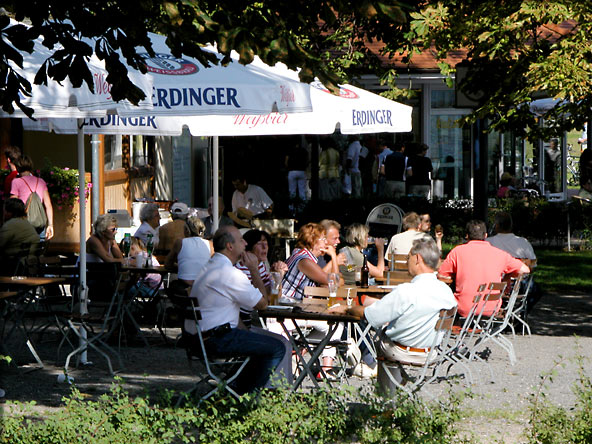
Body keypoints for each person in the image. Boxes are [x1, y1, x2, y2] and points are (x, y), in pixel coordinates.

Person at [184, 225, 286, 394]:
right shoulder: (228, 273)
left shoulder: (208, 267)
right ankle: (245, 396)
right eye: (241, 240)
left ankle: (234, 388)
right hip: (216, 339)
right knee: (277, 347)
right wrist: (254, 269)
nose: (245, 243)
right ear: (230, 246)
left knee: (261, 342)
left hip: (197, 338)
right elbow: (262, 304)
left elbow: (225, 309)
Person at [347, 237, 457, 389]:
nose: (406, 262)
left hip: (401, 351)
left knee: (382, 339)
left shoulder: (407, 291)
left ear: (417, 259)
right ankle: (396, 385)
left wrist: (348, 308)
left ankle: (387, 399)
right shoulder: (447, 292)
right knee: (389, 336)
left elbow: (372, 315)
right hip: (430, 351)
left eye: (408, 258)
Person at [281, 222, 343, 375]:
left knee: (330, 324)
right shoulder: (305, 260)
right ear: (313, 241)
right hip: (288, 311)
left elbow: (334, 283)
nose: (326, 242)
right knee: (335, 325)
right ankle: (325, 368)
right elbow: (334, 283)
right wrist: (334, 258)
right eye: (322, 239)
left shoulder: (300, 254)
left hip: (291, 309)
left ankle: (298, 353)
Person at [438, 220, 530, 318]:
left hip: (463, 308)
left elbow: (441, 275)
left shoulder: (457, 252)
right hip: (492, 308)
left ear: (466, 236)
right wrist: (508, 275)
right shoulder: (500, 254)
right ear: (486, 235)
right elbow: (525, 270)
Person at [10, 155, 54, 240]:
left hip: (23, 224)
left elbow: (13, 205)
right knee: (38, 251)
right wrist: (50, 225)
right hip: (39, 224)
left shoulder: (16, 182)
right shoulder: (41, 181)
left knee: (23, 251)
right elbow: (48, 205)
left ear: (18, 167)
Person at [165, 216, 213, 286]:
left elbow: (167, 264)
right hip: (204, 287)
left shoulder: (180, 243)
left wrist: (180, 267)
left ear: (187, 230)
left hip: (184, 286)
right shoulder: (210, 245)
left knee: (171, 285)